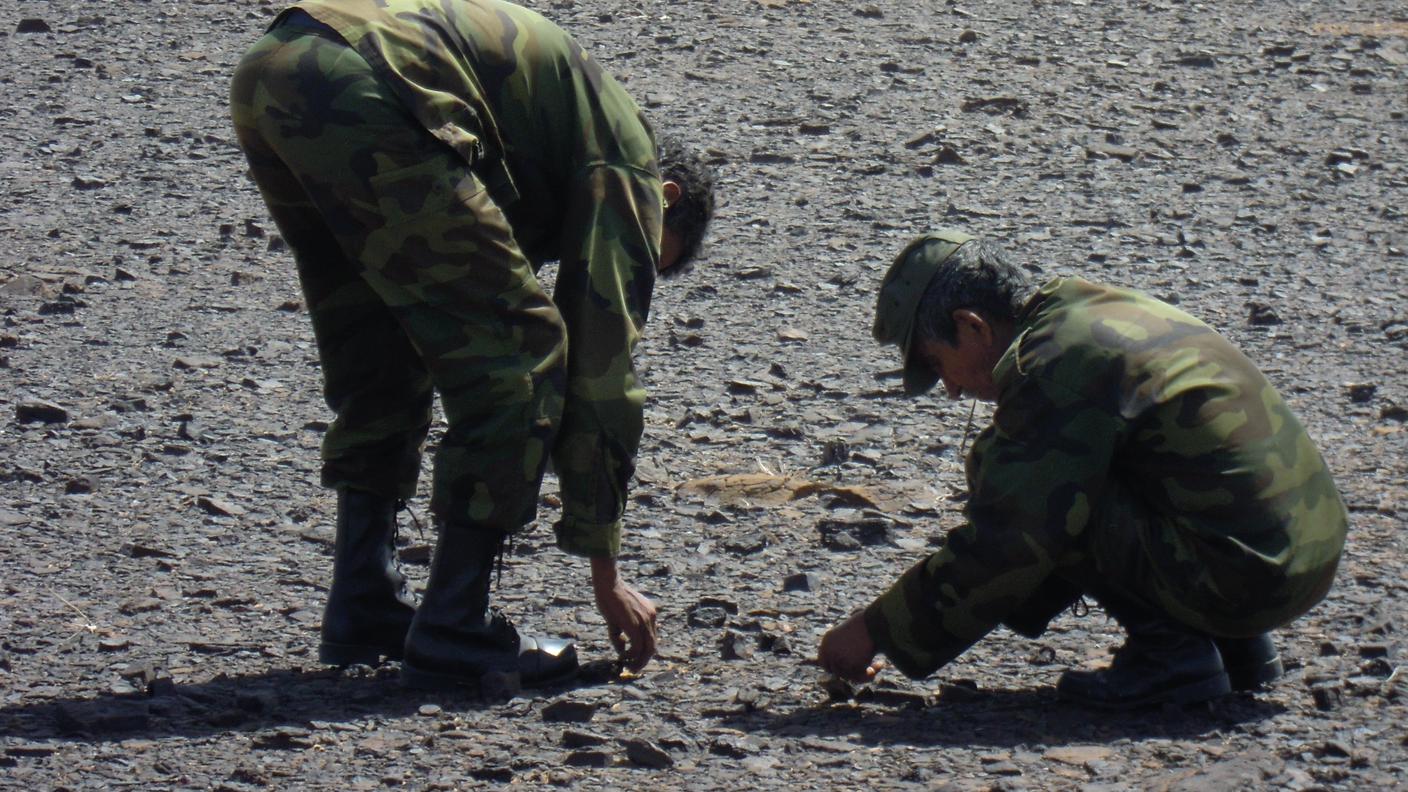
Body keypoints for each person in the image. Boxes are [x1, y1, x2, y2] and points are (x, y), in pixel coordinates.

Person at [229, 0, 714, 690]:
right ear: (663, 199)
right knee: (523, 352)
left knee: (382, 347)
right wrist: (605, 570)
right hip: (370, 85)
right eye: (648, 253)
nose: (634, 258)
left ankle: (364, 605)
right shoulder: (628, 159)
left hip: (275, 69)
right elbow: (601, 361)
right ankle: (456, 626)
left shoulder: (559, 133)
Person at [818, 230, 1347, 708]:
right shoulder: (1084, 310)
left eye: (937, 363)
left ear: (971, 326)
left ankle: (1174, 657)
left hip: (1250, 577)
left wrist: (876, 628)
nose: (952, 389)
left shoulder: (1050, 370)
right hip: (1300, 552)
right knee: (1047, 462)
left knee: (1033, 485)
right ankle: (1239, 648)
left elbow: (1011, 540)